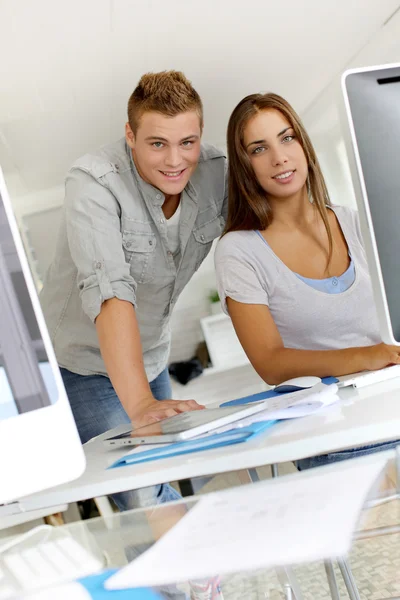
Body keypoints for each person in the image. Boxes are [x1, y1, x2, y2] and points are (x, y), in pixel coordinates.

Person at [40, 71, 227, 510]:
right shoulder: (94, 182)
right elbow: (111, 294)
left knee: (173, 468)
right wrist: (140, 403)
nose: (175, 160)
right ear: (131, 134)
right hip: (80, 364)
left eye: (188, 142)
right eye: (157, 143)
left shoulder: (216, 174)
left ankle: (181, 574)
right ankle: (189, 575)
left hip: (150, 354)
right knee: (138, 485)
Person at [214, 92, 400, 470]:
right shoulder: (238, 251)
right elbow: (270, 363)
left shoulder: (352, 221)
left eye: (287, 138)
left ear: (303, 143)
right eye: (258, 148)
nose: (279, 157)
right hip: (333, 441)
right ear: (244, 165)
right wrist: (366, 356)